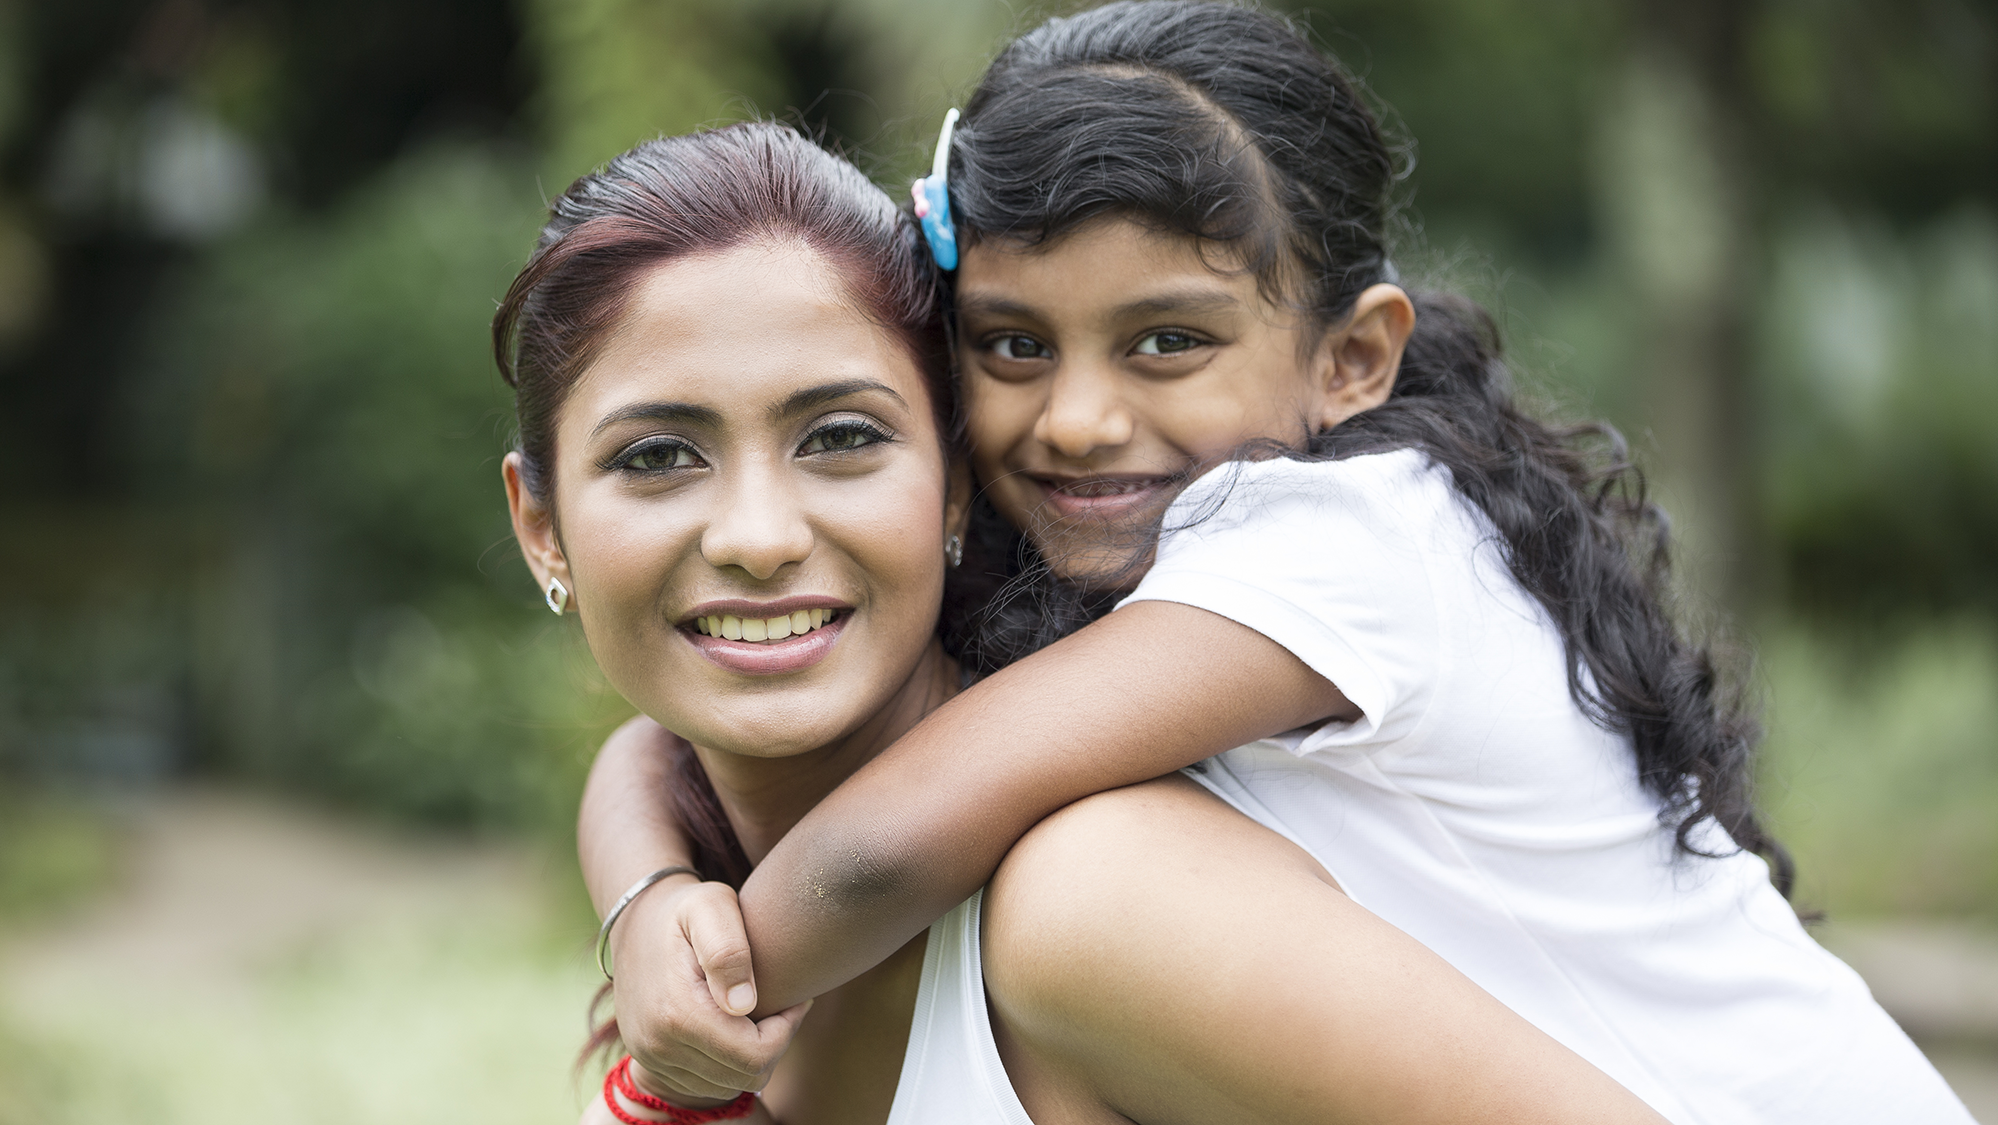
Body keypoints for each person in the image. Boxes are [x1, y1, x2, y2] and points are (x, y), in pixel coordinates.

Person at [580, 4, 1976, 1123]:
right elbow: (660, 747)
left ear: (1349, 356)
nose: (1075, 416)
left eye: (1166, 342)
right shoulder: (1126, 549)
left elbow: (895, 837)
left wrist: (685, 1028)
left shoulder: (1356, 537)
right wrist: (646, 896)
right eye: (1013, 343)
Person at [497, 120, 1661, 1124]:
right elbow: (640, 759)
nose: (757, 535)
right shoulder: (687, 887)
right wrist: (646, 897)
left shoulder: (1098, 900)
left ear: (952, 482)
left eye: (841, 437)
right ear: (540, 528)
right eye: (657, 457)